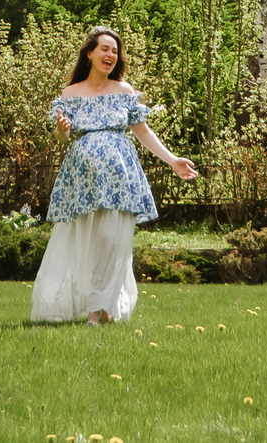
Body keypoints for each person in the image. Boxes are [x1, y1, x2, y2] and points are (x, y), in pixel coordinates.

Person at [30, 26, 197, 325]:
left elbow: (142, 131)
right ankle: (99, 307)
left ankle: (98, 309)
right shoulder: (71, 94)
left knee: (112, 239)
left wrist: (172, 160)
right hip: (81, 181)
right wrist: (62, 130)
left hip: (120, 179)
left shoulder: (124, 92)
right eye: (105, 49)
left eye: (115, 51)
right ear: (90, 53)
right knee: (88, 242)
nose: (110, 55)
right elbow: (60, 139)